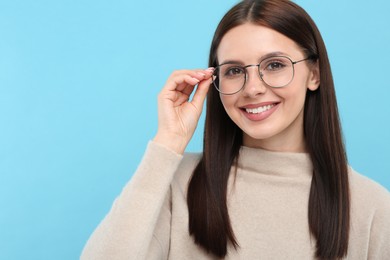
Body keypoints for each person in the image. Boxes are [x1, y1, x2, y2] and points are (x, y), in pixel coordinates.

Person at [81, 0, 390, 259]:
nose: (253, 88)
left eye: (275, 65)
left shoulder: (372, 207)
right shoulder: (179, 183)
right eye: (234, 71)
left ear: (314, 74)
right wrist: (167, 144)